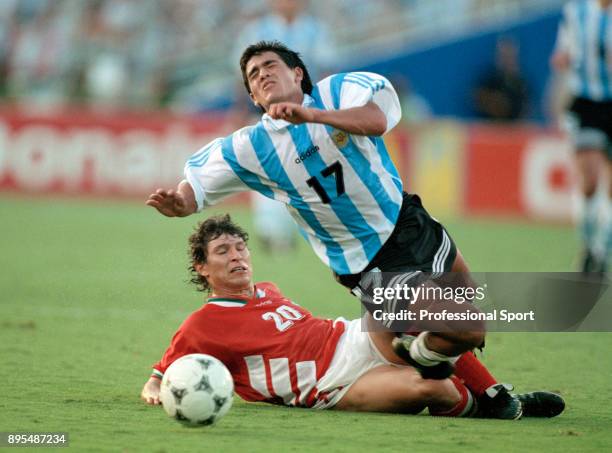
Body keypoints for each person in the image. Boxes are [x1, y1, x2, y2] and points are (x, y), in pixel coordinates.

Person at [144, 41, 508, 413]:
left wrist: (313, 117)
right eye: (254, 75)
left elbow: (377, 121)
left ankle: (491, 393)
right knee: (466, 327)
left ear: (297, 73)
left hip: (407, 221)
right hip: (368, 263)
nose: (263, 74)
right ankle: (427, 359)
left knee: (465, 309)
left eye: (270, 65)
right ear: (253, 96)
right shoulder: (251, 147)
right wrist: (182, 203)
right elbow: (198, 183)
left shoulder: (338, 91)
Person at [140, 215, 564, 419]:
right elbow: (162, 371)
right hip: (331, 386)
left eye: (239, 247)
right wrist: (156, 387)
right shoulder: (204, 323)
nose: (236, 257)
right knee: (430, 389)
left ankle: (498, 396)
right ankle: (486, 403)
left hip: (351, 338)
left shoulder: (268, 289)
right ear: (202, 267)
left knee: (395, 301)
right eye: (222, 252)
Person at [551, 0, 612, 273]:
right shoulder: (576, 10)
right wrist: (563, 58)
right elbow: (562, 53)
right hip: (587, 103)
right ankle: (589, 248)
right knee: (589, 181)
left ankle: (601, 253)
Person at [474, 37, 529, 122]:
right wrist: (495, 103)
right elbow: (478, 97)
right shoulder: (490, 78)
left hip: (515, 127)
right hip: (492, 126)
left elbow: (528, 106)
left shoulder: (522, 80)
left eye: (509, 54)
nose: (506, 58)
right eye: (503, 54)